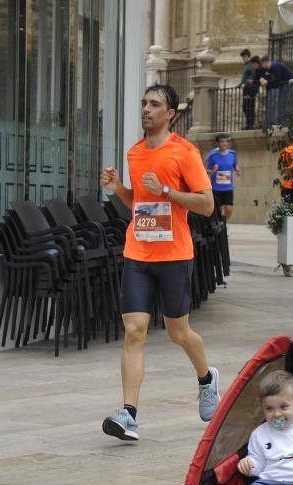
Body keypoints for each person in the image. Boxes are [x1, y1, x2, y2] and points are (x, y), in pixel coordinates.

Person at [100, 84, 220, 442]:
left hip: (174, 255)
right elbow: (139, 201)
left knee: (177, 333)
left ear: (171, 114)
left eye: (155, 104)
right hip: (138, 251)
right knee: (134, 330)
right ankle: (129, 414)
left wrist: (168, 190)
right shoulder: (135, 153)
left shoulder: (185, 153)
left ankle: (206, 379)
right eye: (143, 103)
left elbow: (207, 204)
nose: (146, 109)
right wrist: (119, 188)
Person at [206, 133, 241, 222]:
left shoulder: (232, 154)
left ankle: (224, 223)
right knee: (218, 210)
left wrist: (237, 169)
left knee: (229, 209)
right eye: (222, 141)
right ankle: (220, 227)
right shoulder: (212, 156)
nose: (224, 143)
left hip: (228, 188)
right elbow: (206, 171)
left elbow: (235, 165)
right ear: (217, 143)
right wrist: (213, 170)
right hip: (216, 188)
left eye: (226, 141)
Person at [259, 56, 293, 127]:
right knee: (281, 104)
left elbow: (277, 80)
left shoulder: (275, 66)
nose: (262, 66)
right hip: (282, 85)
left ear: (265, 62)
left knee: (283, 104)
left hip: (287, 84)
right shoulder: (270, 69)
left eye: (262, 64)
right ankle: (281, 122)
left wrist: (267, 82)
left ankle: (283, 123)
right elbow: (271, 79)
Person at [239, 51, 260, 130]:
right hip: (246, 88)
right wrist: (241, 84)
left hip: (250, 88)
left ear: (248, 56)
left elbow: (253, 75)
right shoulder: (246, 65)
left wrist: (246, 83)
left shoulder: (251, 65)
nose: (243, 59)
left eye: (244, 57)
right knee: (246, 107)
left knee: (249, 106)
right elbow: (246, 77)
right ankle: (248, 124)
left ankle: (250, 124)